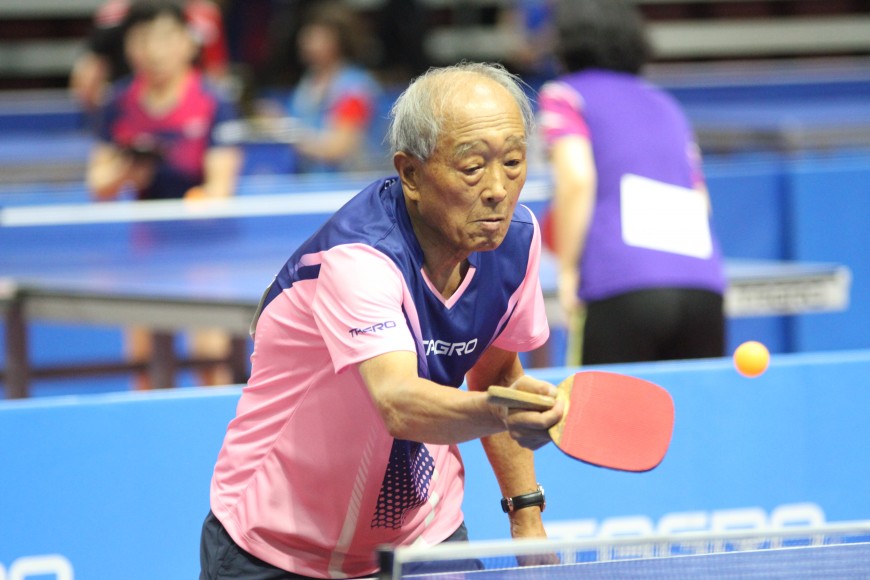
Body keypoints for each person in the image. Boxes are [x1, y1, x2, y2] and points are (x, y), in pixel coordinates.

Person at [200, 62, 563, 579]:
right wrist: (504, 414)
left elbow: (498, 373)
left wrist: (526, 514)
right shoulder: (360, 256)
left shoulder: (514, 242)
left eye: (512, 162)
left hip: (420, 537)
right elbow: (398, 402)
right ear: (410, 173)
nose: (498, 189)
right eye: (471, 167)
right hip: (277, 544)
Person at [538, 0, 727, 365]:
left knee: (603, 406)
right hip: (703, 290)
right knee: (686, 405)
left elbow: (577, 180)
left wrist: (568, 270)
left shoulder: (565, 95)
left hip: (619, 285)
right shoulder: (665, 104)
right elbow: (701, 200)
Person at [85, 0, 243, 388]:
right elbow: (98, 185)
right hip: (146, 249)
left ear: (188, 44)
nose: (155, 51)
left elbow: (220, 188)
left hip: (205, 249)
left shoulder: (214, 101)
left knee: (210, 359)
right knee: (143, 363)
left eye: (166, 39)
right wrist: (126, 171)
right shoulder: (118, 102)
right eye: (144, 40)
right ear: (129, 47)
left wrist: (196, 203)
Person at [70, 0, 230, 113]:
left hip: (191, 111)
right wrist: (105, 117)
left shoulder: (203, 16)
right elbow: (88, 76)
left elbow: (215, 71)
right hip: (129, 111)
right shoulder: (113, 15)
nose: (156, 52)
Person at [282, 2, 383, 173]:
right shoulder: (308, 82)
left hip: (349, 183)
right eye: (306, 35)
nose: (306, 42)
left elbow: (339, 148)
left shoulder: (355, 88)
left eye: (316, 37)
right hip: (307, 181)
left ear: (338, 42)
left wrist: (285, 135)